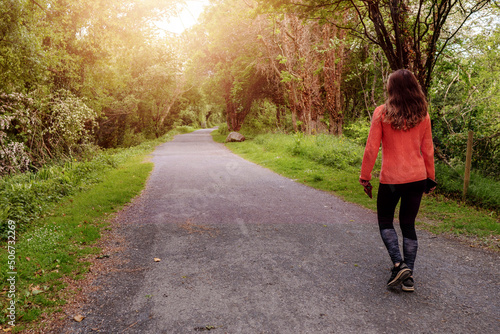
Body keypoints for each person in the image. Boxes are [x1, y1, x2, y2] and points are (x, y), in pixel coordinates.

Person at [359, 69, 435, 292]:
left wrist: (365, 176)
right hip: (417, 177)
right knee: (408, 225)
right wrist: (431, 178)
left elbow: (372, 148)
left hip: (391, 179)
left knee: (385, 221)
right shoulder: (423, 114)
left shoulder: (382, 113)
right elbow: (428, 150)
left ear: (391, 88)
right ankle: (408, 276)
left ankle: (398, 264)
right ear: (414, 88)